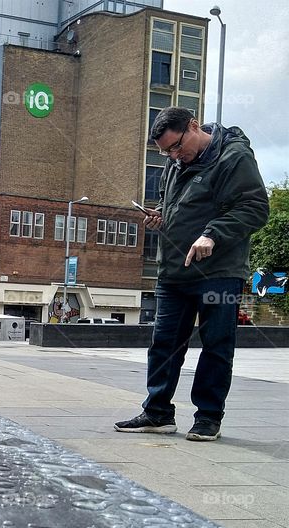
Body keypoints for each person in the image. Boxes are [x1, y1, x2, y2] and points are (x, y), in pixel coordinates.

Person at [115, 107, 269, 441]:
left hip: (219, 271)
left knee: (216, 345)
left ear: (194, 126)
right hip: (174, 269)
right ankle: (157, 413)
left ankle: (208, 418)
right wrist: (159, 216)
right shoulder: (175, 163)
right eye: (166, 152)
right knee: (164, 344)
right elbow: (173, 204)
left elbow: (255, 208)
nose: (173, 155)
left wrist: (212, 234)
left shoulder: (233, 157)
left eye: (176, 146)